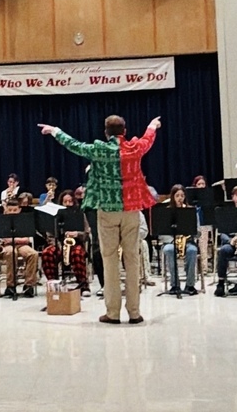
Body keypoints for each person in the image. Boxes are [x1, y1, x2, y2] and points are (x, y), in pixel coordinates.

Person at [39, 114, 160, 325]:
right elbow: (147, 139)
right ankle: (134, 312)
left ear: (106, 133)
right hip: (131, 210)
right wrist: (152, 125)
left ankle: (112, 313)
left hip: (107, 211)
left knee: (110, 260)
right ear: (124, 131)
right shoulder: (134, 148)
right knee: (132, 260)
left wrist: (55, 130)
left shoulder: (99, 150)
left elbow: (74, 145)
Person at [39, 190, 91, 297]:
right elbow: (49, 234)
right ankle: (54, 285)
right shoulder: (55, 215)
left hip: (76, 244)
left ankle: (83, 285)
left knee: (77, 253)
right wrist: (56, 243)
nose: (67, 204)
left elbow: (86, 233)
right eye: (65, 202)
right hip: (58, 244)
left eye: (70, 201)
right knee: (47, 253)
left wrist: (76, 234)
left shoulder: (80, 214)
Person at [0, 198, 38, 298]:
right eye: (10, 210)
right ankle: (11, 286)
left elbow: (27, 239)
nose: (12, 212)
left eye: (15, 210)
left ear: (19, 210)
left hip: (21, 244)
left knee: (33, 254)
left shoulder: (24, 221)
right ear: (6, 210)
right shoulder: (1, 221)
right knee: (11, 253)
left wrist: (13, 240)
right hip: (6, 246)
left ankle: (28, 285)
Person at [160, 185, 199, 295]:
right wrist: (173, 240)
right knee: (169, 250)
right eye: (177, 195)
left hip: (188, 241)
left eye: (182, 195)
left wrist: (192, 233)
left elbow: (198, 231)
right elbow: (162, 233)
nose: (180, 198)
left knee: (192, 251)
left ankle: (190, 285)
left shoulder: (191, 211)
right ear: (173, 197)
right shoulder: (167, 211)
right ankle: (175, 284)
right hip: (171, 241)